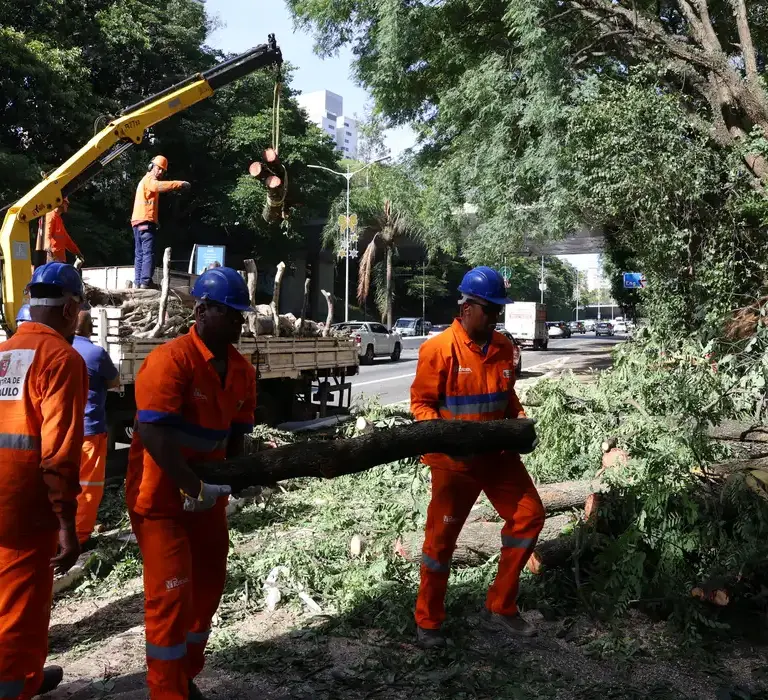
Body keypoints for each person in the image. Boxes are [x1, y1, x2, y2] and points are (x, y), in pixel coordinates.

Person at [126, 266, 256, 699]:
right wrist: (192, 487)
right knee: (170, 598)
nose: (239, 323)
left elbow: (237, 434)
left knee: (207, 591)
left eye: (241, 315)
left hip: (207, 498)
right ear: (201, 311)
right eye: (230, 313)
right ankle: (167, 692)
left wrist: (241, 478)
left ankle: (184, 675)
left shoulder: (241, 370)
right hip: (162, 497)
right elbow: (155, 435)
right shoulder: (170, 361)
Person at [409, 266, 545, 649]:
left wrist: (518, 420)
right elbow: (421, 405)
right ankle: (429, 620)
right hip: (454, 464)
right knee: (440, 545)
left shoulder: (503, 348)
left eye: (499, 311)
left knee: (529, 515)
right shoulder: (438, 350)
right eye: (491, 310)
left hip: (497, 456)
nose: (496, 318)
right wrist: (447, 439)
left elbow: (507, 397)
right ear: (467, 307)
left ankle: (500, 606)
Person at [0, 262, 88, 697]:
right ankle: (15, 685)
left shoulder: (2, 353)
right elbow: (59, 455)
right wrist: (67, 525)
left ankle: (29, 677)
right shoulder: (61, 359)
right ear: (71, 309)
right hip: (23, 509)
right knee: (21, 608)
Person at [72, 311, 121, 547]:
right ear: (90, 328)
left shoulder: (59, 348)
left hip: (61, 431)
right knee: (89, 486)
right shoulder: (95, 353)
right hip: (90, 430)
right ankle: (80, 537)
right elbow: (114, 382)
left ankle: (60, 535)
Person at [131, 155, 190, 289]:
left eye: (163, 170)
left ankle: (138, 282)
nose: (160, 172)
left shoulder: (143, 181)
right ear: (151, 167)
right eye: (159, 168)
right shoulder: (150, 180)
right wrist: (178, 184)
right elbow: (158, 187)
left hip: (137, 222)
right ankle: (145, 282)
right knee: (148, 253)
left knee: (140, 253)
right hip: (145, 221)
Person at [44, 198, 82, 264]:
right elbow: (47, 234)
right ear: (60, 202)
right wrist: (48, 250)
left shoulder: (59, 219)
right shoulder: (50, 216)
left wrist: (78, 252)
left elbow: (67, 240)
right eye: (66, 203)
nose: (68, 205)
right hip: (52, 258)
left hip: (60, 260)